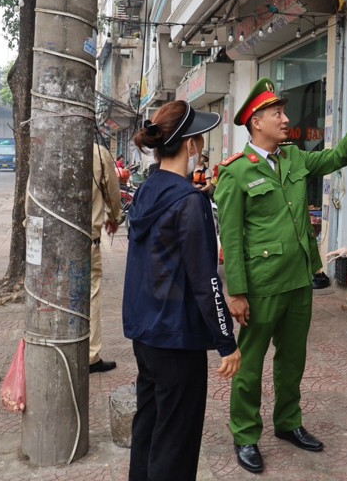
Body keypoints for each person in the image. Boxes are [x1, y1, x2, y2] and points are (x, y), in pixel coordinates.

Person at [215, 77, 347, 474]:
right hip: (261, 286)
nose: (286, 120)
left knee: (293, 361)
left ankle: (288, 423)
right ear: (256, 122)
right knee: (250, 365)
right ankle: (245, 433)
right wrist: (235, 292)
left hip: (298, 282)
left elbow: (339, 156)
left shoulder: (295, 159)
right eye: (278, 114)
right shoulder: (236, 173)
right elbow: (231, 238)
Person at [123, 100, 241, 481]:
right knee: (176, 440)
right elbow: (206, 280)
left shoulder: (147, 190)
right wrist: (227, 341)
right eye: (200, 140)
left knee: (149, 425)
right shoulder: (188, 202)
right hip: (177, 338)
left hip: (145, 332)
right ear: (190, 145)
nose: (202, 147)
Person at [88, 142, 122, 374]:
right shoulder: (97, 152)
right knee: (90, 294)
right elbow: (112, 191)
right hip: (86, 241)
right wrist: (114, 217)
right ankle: (89, 356)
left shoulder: (45, 145)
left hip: (49, 244)